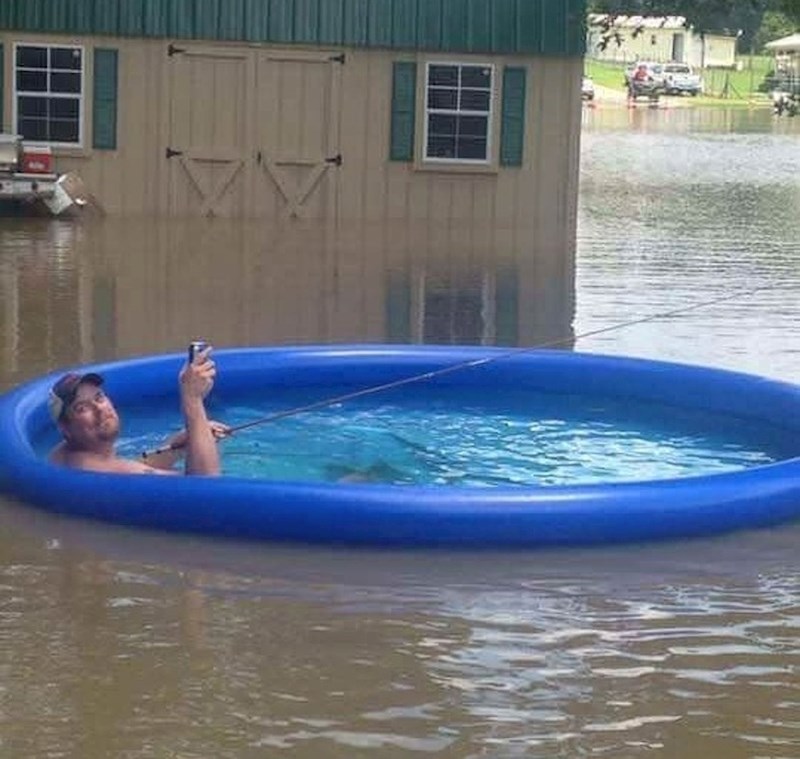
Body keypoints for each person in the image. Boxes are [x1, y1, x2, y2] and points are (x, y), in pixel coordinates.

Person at [48, 345, 227, 475]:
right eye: (82, 408)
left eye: (99, 397)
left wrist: (180, 443)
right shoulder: (104, 472)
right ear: (65, 428)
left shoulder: (68, 454)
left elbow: (127, 466)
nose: (99, 409)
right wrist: (192, 399)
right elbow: (204, 486)